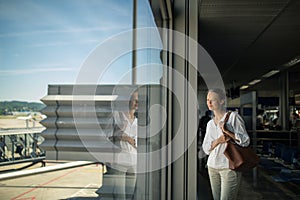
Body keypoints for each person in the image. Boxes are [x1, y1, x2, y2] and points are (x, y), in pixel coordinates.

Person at [202, 88, 250, 200]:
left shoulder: (233, 117)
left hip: (229, 167)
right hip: (212, 166)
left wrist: (229, 133)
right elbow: (205, 148)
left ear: (222, 101)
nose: (209, 103)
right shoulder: (210, 123)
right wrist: (219, 140)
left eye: (212, 100)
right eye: (207, 100)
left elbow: (245, 141)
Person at [108, 91, 138, 200]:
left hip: (133, 164)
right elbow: (108, 136)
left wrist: (128, 138)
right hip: (119, 162)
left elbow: (138, 144)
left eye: (139, 101)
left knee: (130, 196)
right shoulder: (117, 116)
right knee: (119, 196)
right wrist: (126, 137)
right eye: (135, 100)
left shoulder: (138, 122)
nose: (137, 103)